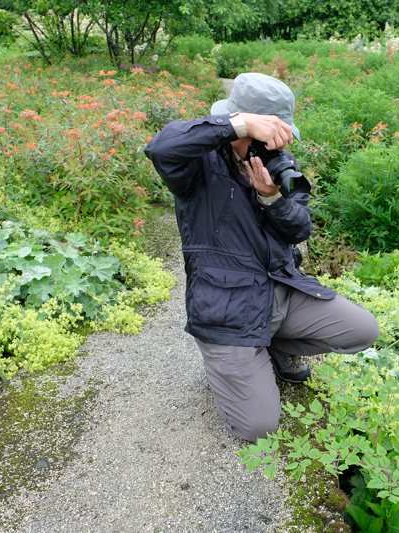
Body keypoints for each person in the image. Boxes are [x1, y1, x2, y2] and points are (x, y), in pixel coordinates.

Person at [144, 73, 379, 442]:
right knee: (260, 428)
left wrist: (272, 199)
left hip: (278, 290)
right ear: (243, 127)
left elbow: (300, 228)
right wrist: (237, 123)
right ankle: (230, 364)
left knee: (363, 330)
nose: (276, 145)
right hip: (226, 307)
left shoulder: (278, 163)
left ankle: (270, 347)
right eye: (268, 133)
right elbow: (160, 148)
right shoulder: (197, 165)